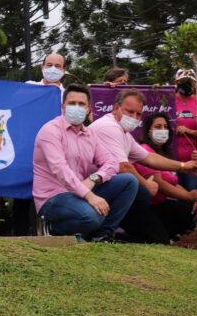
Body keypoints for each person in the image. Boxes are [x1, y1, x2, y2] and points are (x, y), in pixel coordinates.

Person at [87, 89, 197, 244]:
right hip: (91, 186)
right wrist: (146, 183)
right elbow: (123, 167)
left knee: (141, 191)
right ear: (115, 108)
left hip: (114, 189)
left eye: (138, 114)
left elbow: (149, 158)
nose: (134, 118)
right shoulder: (109, 127)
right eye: (129, 112)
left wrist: (183, 166)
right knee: (132, 184)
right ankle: (105, 232)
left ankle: (131, 233)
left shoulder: (124, 133)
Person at [33, 84, 137, 240]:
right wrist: (90, 196)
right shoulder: (50, 131)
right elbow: (60, 170)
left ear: (89, 109)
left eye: (81, 104)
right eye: (72, 103)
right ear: (63, 107)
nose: (77, 107)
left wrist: (95, 178)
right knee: (93, 215)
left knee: (129, 181)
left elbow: (111, 163)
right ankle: (54, 228)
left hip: (81, 190)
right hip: (54, 197)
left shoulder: (90, 135)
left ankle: (102, 236)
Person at [15, 52, 67, 234]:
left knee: (52, 195)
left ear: (64, 70)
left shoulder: (67, 95)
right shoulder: (29, 88)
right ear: (42, 67)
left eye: (58, 66)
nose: (53, 69)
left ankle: (52, 233)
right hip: (25, 151)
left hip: (55, 154)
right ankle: (20, 235)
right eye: (49, 64)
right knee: (22, 195)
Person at [134, 111, 197, 239]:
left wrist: (193, 199)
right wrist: (188, 196)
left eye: (166, 127)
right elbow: (159, 183)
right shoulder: (144, 150)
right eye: (158, 127)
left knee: (188, 209)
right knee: (159, 240)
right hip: (145, 207)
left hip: (160, 206)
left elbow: (173, 182)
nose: (163, 130)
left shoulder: (164, 153)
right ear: (148, 130)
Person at [172, 68, 197, 191]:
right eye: (183, 81)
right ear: (176, 82)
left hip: (194, 160)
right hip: (171, 160)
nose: (187, 85)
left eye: (190, 82)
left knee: (192, 195)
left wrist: (189, 131)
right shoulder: (168, 101)